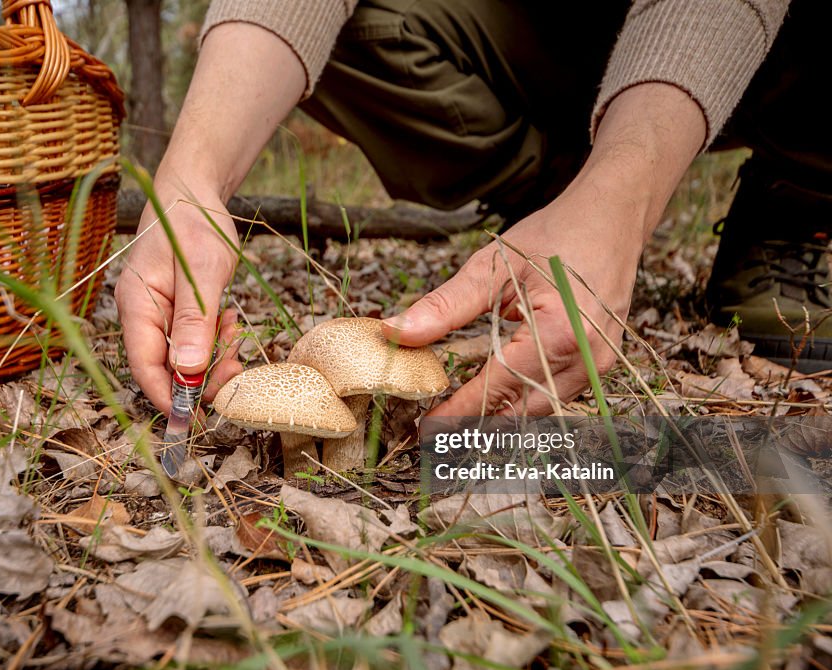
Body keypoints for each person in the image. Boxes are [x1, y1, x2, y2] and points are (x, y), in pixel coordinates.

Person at [116, 0, 831, 419]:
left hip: (749, 39)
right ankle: (547, 202)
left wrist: (623, 196)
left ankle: (798, 201)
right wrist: (190, 178)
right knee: (367, 22)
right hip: (539, 28)